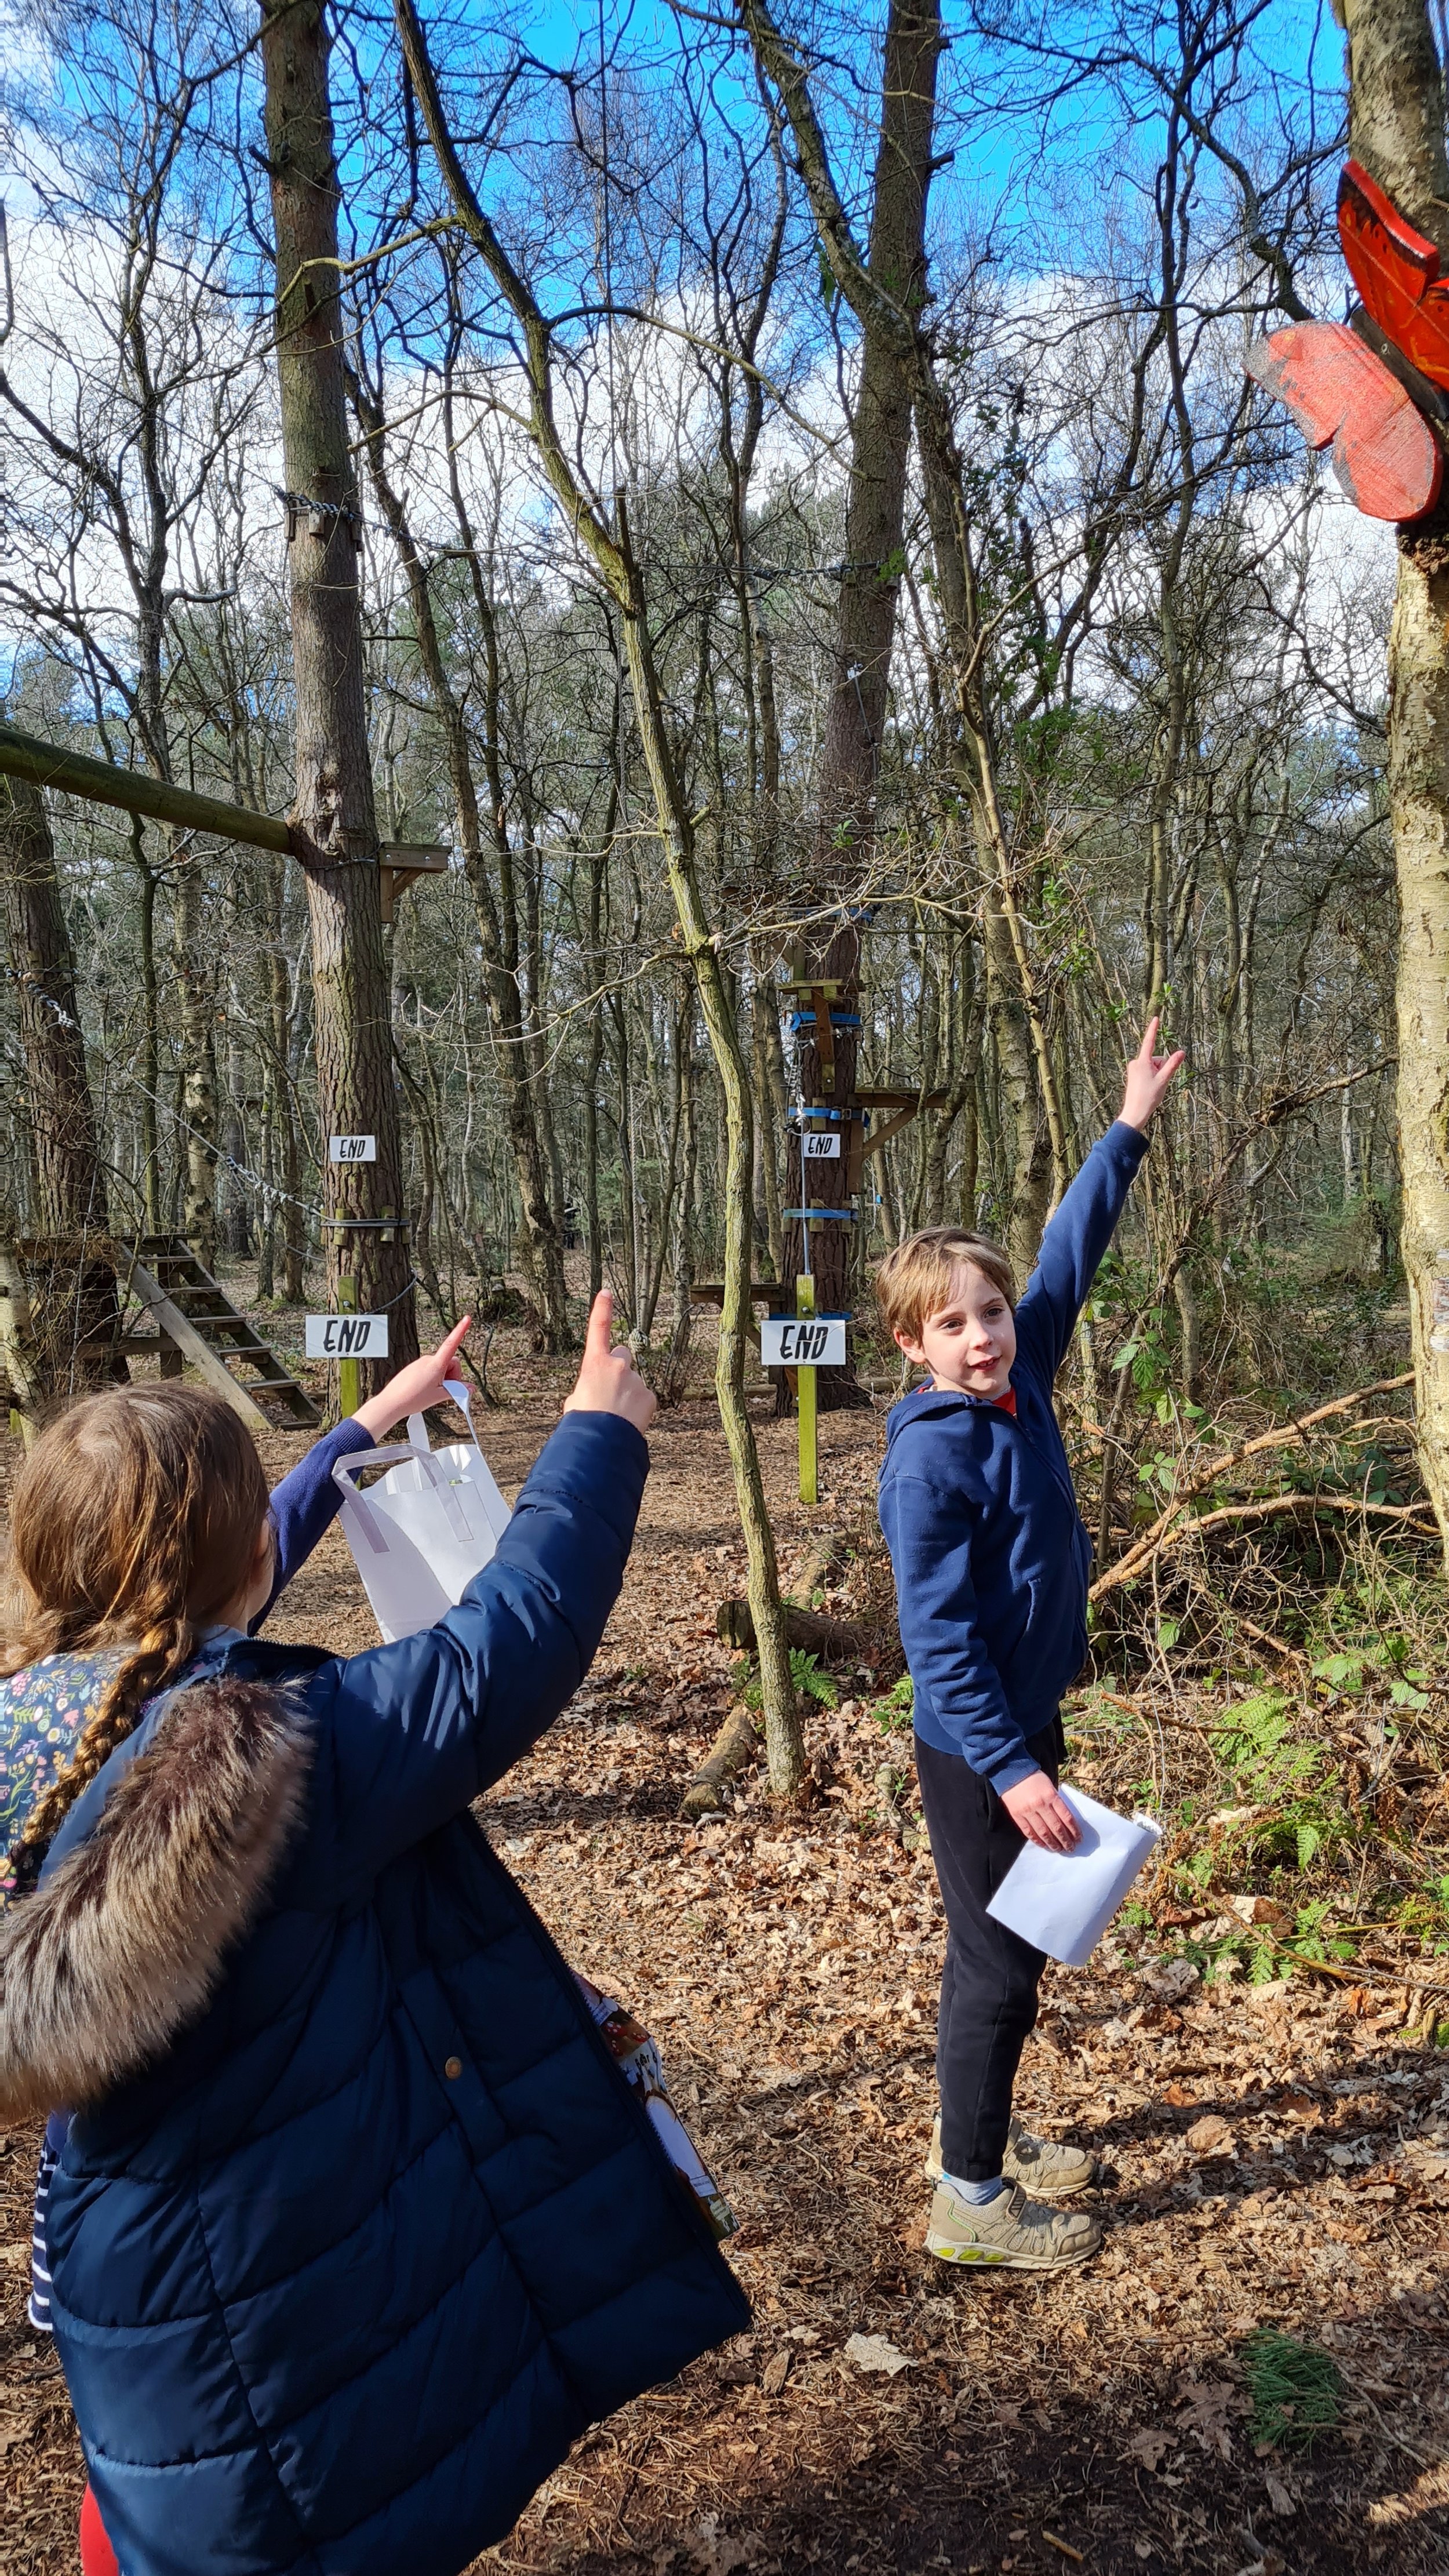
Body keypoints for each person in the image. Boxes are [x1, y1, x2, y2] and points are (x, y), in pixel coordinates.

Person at [0, 1295, 748, 2576]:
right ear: (237, 1558)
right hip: (272, 2264)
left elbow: (188, 1607)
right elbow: (498, 1650)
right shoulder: (280, 1760)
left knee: (161, 2483)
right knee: (288, 2501)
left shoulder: (43, 1716)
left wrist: (363, 1426)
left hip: (121, 2245)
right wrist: (593, 1436)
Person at [875, 1020, 1184, 2272]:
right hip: (974, 1745)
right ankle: (967, 2197)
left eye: (988, 1312)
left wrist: (1126, 1125)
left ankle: (980, 2132)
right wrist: (1011, 1767)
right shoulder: (931, 1456)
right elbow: (936, 1638)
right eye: (948, 1325)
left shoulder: (1026, 1380)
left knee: (1021, 1946)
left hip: (1022, 1723)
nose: (980, 1335)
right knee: (996, 1959)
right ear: (911, 1344)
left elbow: (1069, 1250)